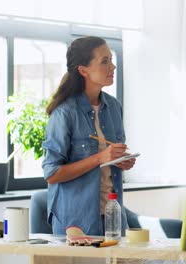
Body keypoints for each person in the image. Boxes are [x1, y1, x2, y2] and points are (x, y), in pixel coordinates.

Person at [42, 36, 136, 236]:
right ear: (83, 70)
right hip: (75, 221)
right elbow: (51, 174)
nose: (113, 67)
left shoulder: (114, 107)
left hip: (112, 215)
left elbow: (110, 159)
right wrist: (100, 158)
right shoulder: (64, 113)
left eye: (111, 60)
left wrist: (120, 160)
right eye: (104, 61)